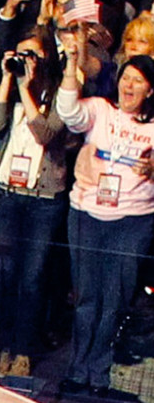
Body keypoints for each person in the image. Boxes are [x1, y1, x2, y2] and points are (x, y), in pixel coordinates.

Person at [54, 43, 154, 402]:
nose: (128, 86)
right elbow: (68, 111)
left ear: (150, 90)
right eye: (125, 78)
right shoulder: (100, 110)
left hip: (132, 222)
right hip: (86, 216)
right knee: (86, 299)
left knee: (113, 300)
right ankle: (77, 371)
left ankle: (100, 372)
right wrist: (70, 65)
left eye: (138, 81)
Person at [0, 33, 74, 380]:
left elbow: (46, 133)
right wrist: (8, 79)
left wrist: (27, 86)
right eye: (21, 54)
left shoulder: (59, 95)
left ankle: (24, 350)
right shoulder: (13, 87)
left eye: (32, 55)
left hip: (43, 200)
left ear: (47, 59)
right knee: (5, 275)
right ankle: (5, 346)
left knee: (32, 278)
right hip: (6, 193)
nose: (26, 60)